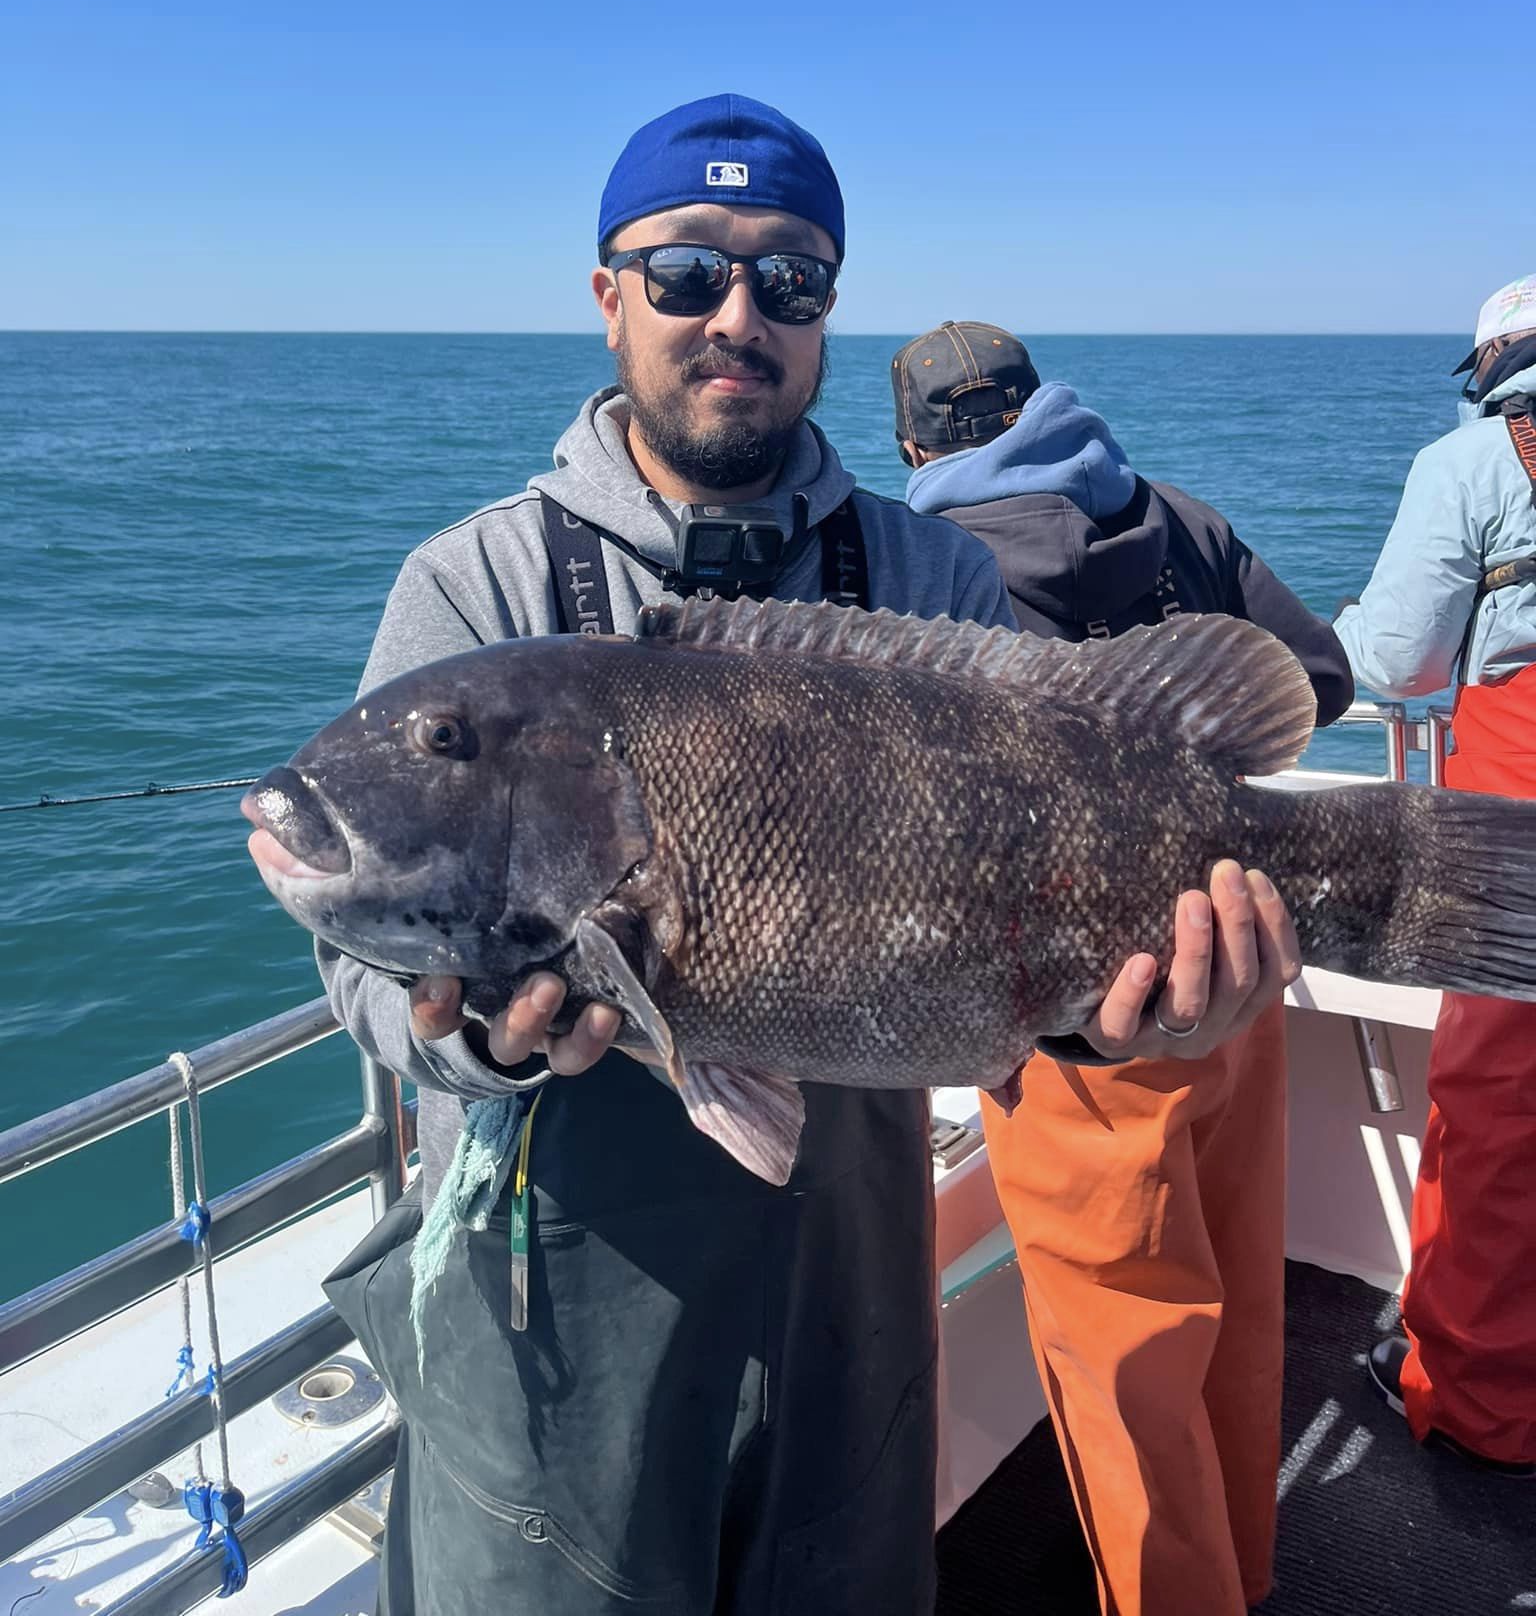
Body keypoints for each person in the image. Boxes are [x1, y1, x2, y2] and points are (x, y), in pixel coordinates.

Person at [314, 101, 1305, 1616]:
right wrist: (484, 1052)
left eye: (791, 281)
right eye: (687, 269)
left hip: (851, 1292)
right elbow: (361, 968)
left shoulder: (930, 571)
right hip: (548, 1332)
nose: (736, 316)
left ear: (830, 315)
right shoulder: (477, 584)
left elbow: (1036, 967)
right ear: (606, 295)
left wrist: (1149, 1017)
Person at [892, 321, 1353, 1616]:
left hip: (1077, 1015)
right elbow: (1318, 673)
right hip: (1244, 966)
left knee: (1124, 1364)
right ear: (1042, 404)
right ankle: (1245, 1579)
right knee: (1239, 1308)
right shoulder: (1173, 515)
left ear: (918, 444)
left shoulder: (931, 566)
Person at [1334, 273, 1536, 1480]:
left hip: (1520, 784)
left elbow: (1398, 653)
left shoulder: (1471, 462)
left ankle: (1474, 1393)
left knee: (1500, 1097)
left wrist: (1342, 625)